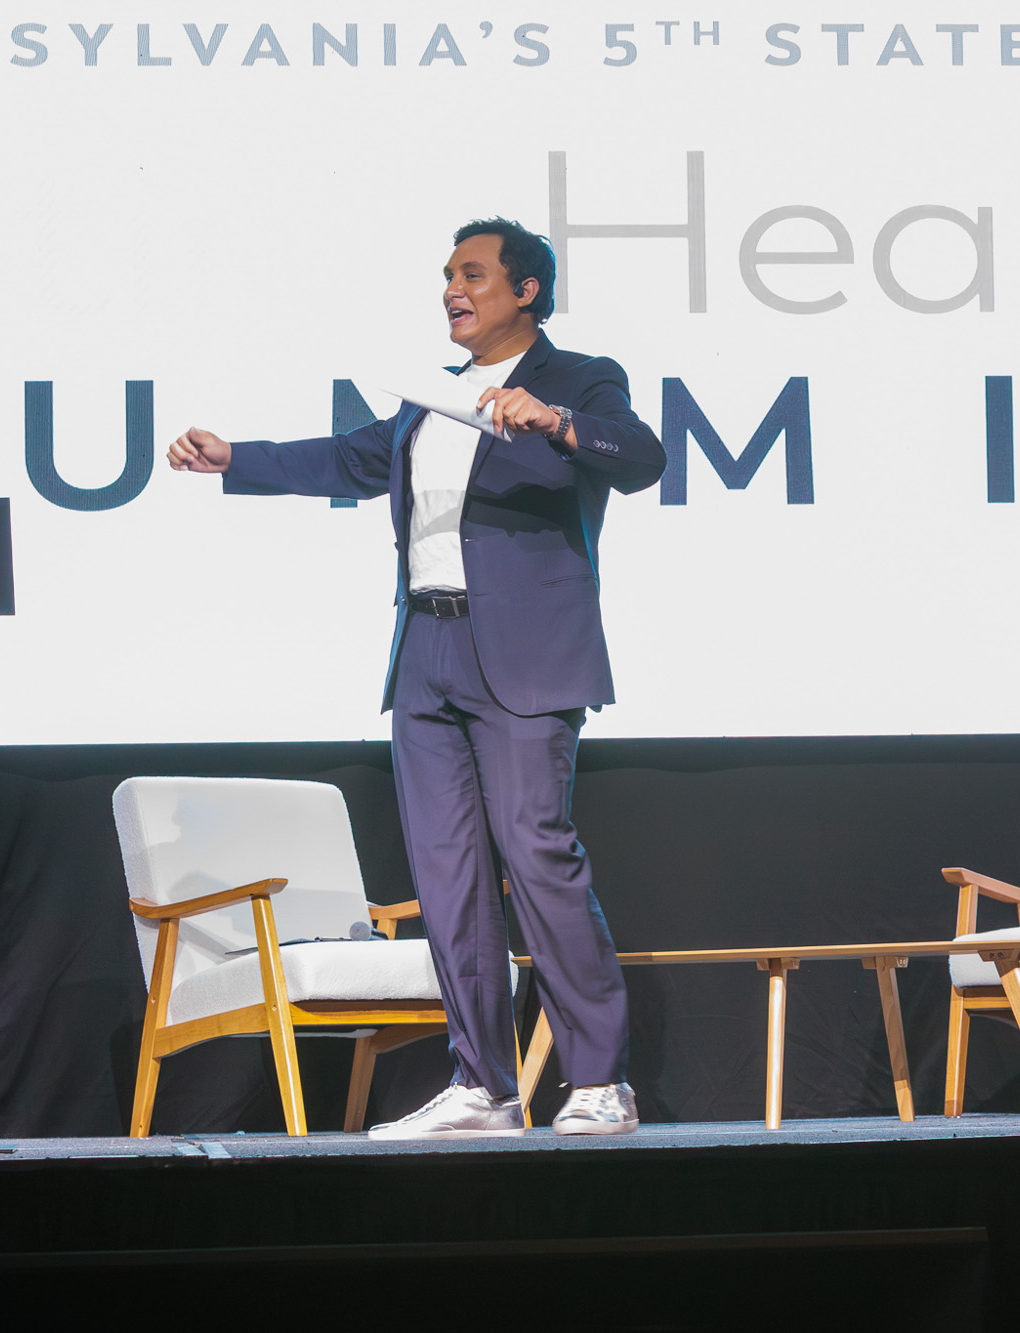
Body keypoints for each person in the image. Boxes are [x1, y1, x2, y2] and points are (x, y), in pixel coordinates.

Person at [167, 218, 665, 1137]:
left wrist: (555, 421)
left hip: (523, 653)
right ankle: (485, 1084)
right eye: (446, 275)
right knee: (447, 875)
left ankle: (601, 1080)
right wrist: (234, 457)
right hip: (426, 654)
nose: (451, 290)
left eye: (472, 274)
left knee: (537, 853)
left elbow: (641, 457)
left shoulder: (580, 379)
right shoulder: (431, 399)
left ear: (526, 290)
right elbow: (345, 460)